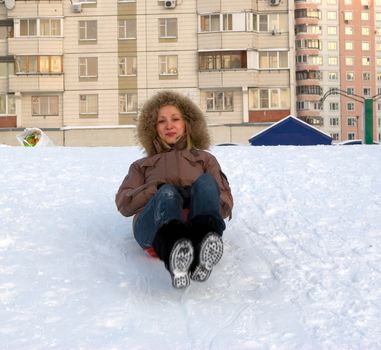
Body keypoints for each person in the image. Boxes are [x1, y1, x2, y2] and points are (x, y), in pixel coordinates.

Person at [115, 90, 233, 289]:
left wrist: (197, 196)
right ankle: (175, 253)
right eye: (161, 121)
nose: (169, 125)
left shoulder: (204, 159)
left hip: (193, 224)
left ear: (187, 123)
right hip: (154, 232)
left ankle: (204, 245)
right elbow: (124, 204)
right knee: (168, 192)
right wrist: (155, 190)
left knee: (206, 183)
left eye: (175, 119)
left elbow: (225, 203)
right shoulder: (141, 165)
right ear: (153, 128)